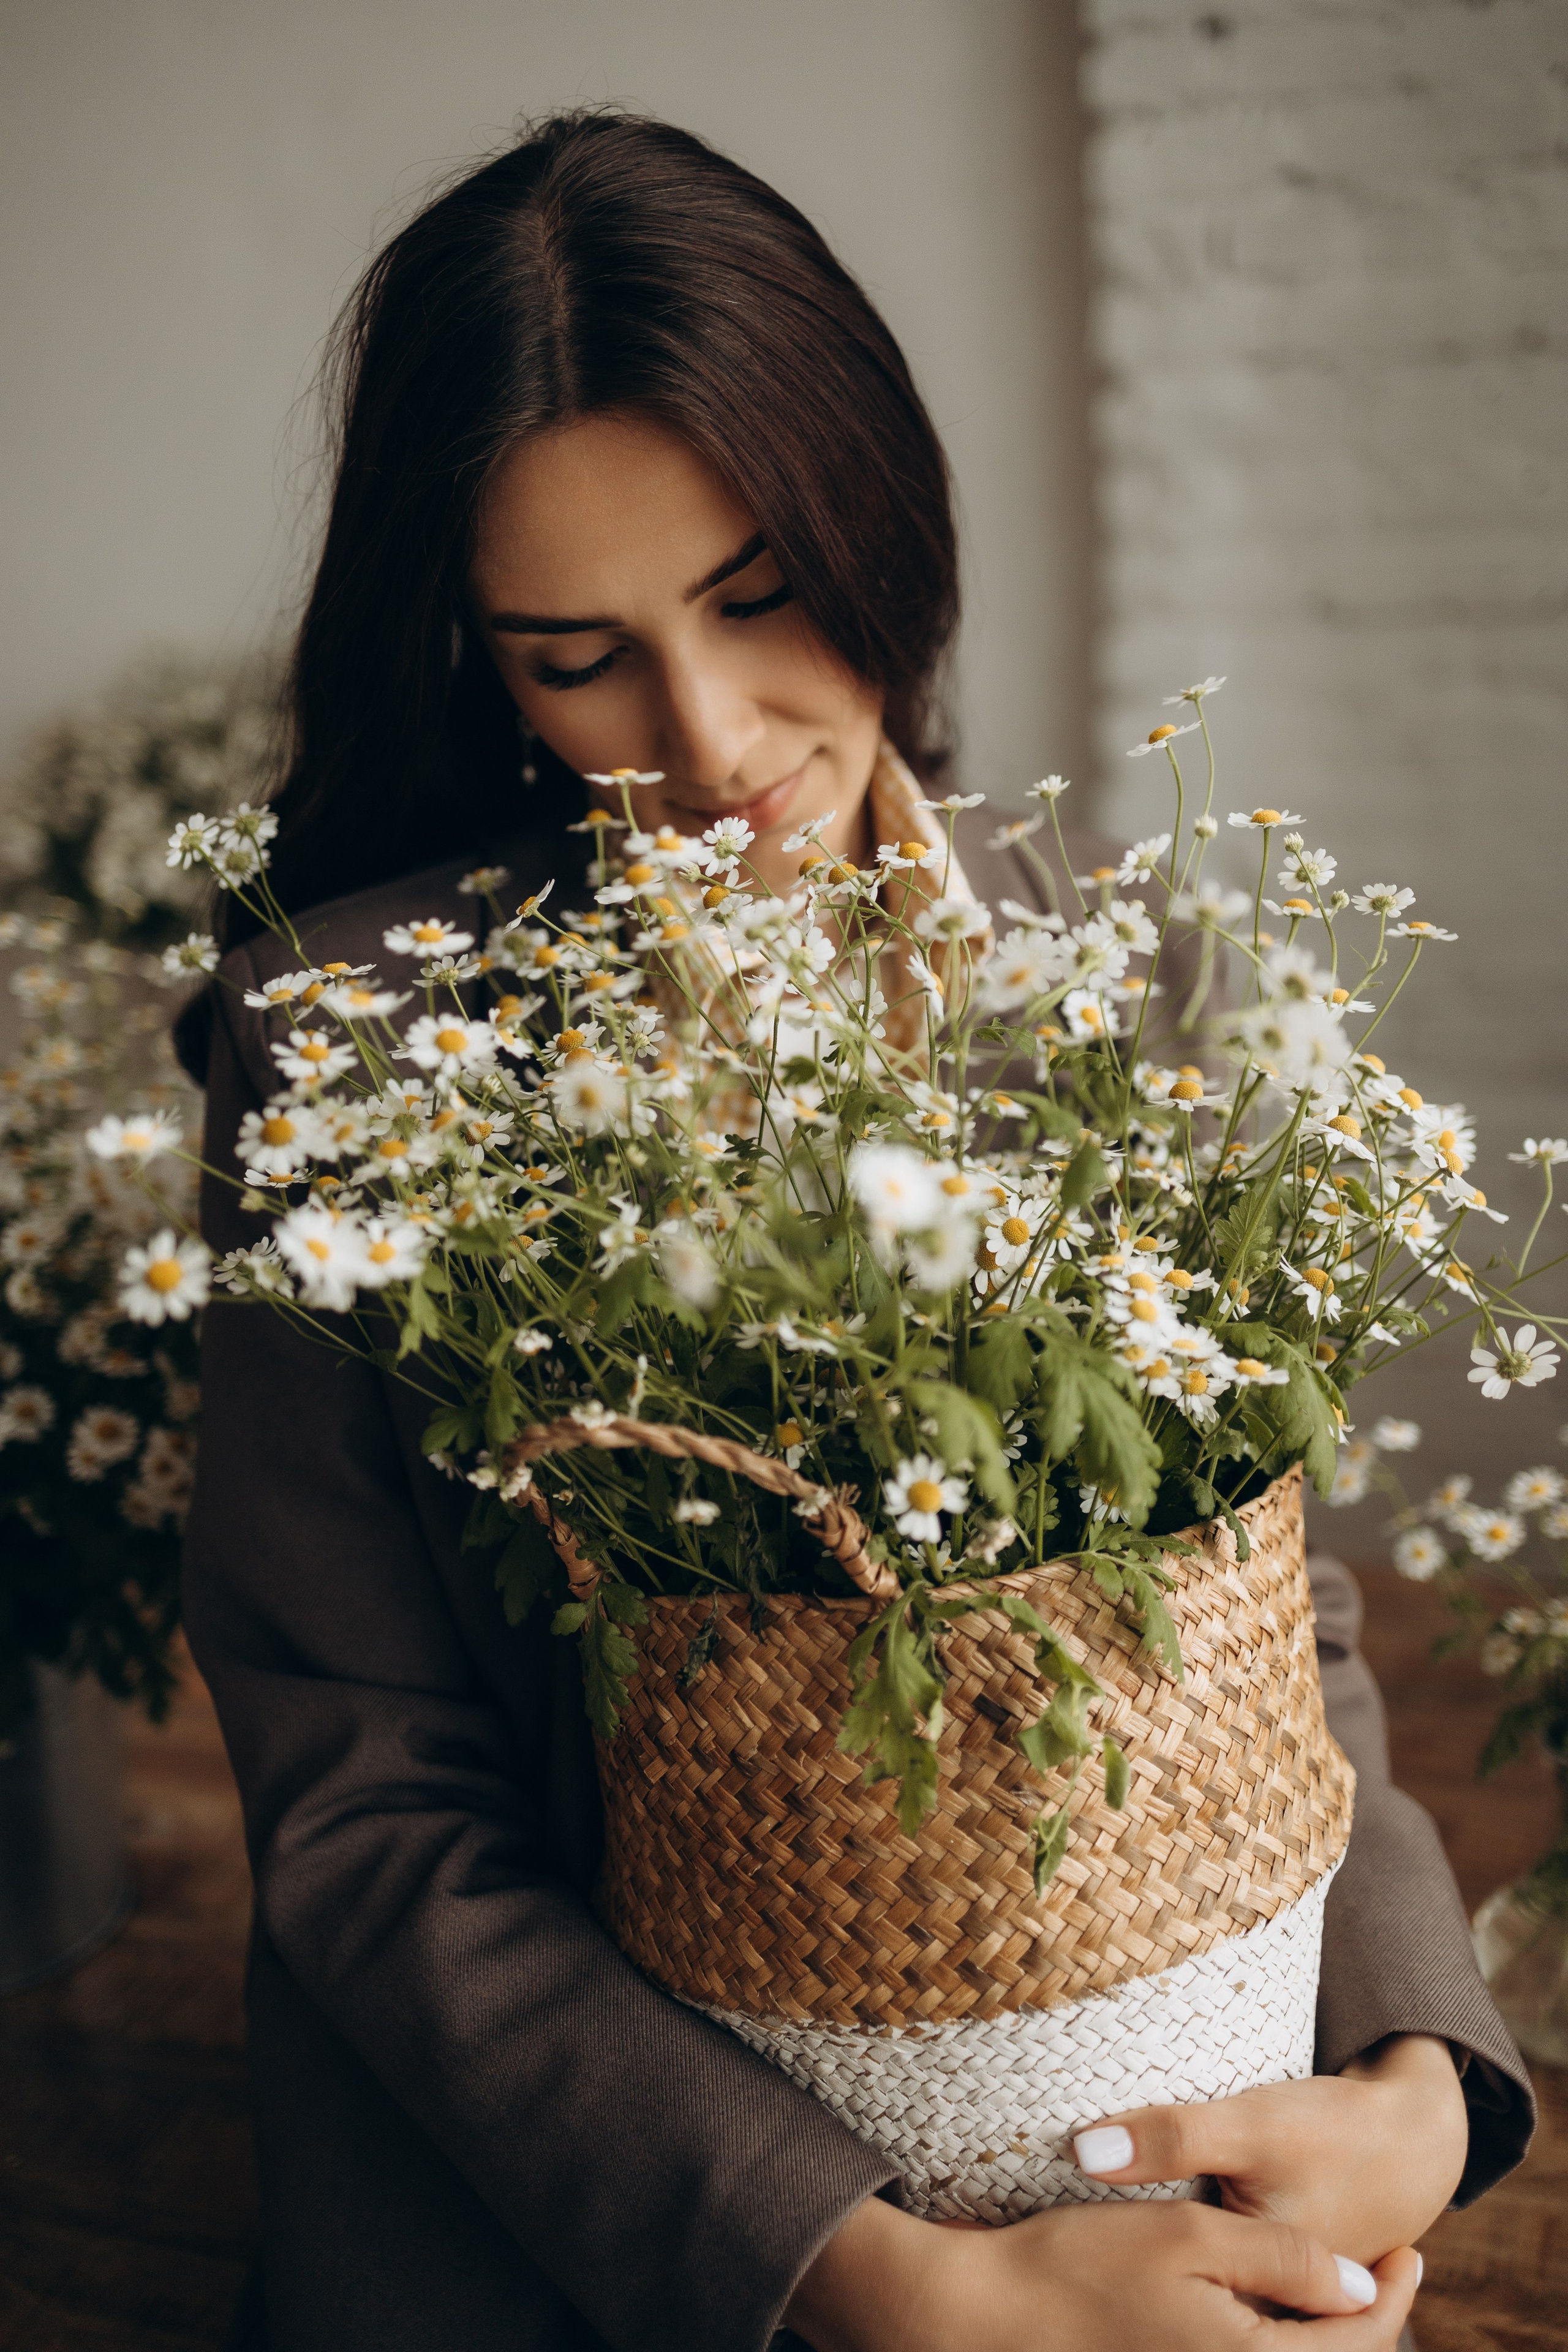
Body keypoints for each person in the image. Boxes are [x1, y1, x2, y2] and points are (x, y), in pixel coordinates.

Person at [180, 111, 1531, 2352]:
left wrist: (1412, 2083)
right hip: (578, 2236)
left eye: (752, 595)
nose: (706, 744)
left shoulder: (1116, 968)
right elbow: (361, 1797)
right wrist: (863, 2277)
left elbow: (1268, 1638)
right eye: (571, 654)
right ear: (477, 662)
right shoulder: (347, 1049)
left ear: (876, 514)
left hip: (1126, 2145)